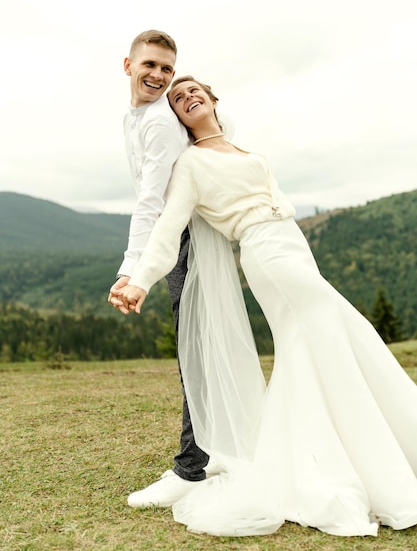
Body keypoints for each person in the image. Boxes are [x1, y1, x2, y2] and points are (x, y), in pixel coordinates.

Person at [116, 75, 417, 538]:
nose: (186, 96)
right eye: (177, 98)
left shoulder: (249, 153)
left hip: (294, 245)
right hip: (266, 254)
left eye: (194, 90)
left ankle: (347, 453)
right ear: (177, 116)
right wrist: (139, 281)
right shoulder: (190, 166)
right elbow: (168, 226)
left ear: (214, 100)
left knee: (319, 344)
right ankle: (349, 463)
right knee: (335, 329)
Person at [107, 35, 220, 509]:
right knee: (196, 355)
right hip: (177, 241)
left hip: (185, 244)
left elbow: (151, 204)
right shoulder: (134, 118)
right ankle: (208, 457)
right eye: (150, 64)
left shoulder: (158, 122)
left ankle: (192, 470)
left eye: (167, 69)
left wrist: (132, 272)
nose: (158, 75)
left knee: (194, 357)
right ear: (128, 63)